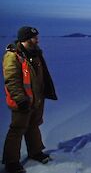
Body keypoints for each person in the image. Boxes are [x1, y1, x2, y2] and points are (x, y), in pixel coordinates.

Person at [2, 26, 57, 173]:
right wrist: (21, 100)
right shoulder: (12, 56)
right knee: (17, 130)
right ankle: (11, 162)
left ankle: (36, 152)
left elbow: (42, 76)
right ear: (26, 39)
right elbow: (11, 80)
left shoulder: (35, 53)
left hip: (36, 100)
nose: (37, 39)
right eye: (34, 37)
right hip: (22, 101)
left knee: (33, 126)